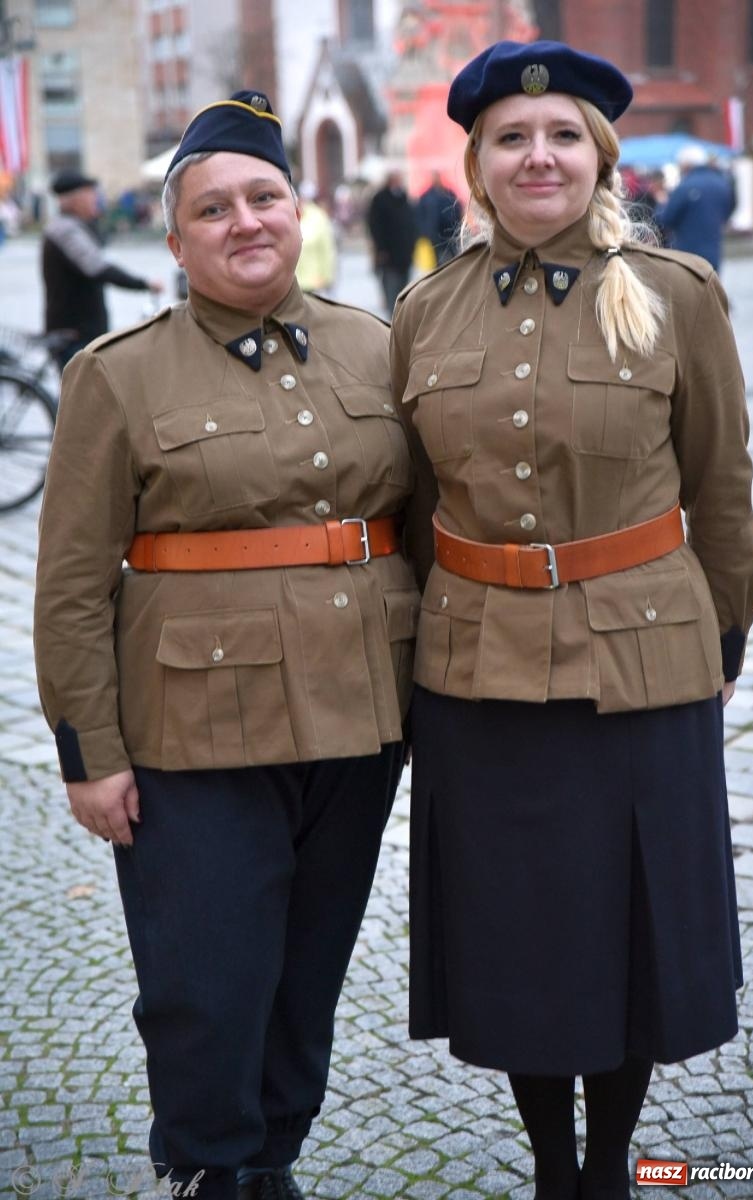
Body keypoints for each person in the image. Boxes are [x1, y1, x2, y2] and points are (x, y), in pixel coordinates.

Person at [390, 40, 753, 1200]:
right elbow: (409, 508)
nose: (536, 154)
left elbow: (724, 492)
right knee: (519, 939)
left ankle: (613, 1166)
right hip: (476, 676)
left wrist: (720, 641)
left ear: (598, 159)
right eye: (512, 137)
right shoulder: (423, 314)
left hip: (642, 669)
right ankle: (552, 1163)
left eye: (561, 137)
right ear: (477, 165)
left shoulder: (677, 297)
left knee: (634, 931)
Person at [34, 91, 419, 1200]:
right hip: (189, 729)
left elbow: (427, 526)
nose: (246, 221)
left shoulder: (379, 346)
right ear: (173, 240)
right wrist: (89, 752)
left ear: (299, 209)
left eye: (265, 196)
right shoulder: (117, 373)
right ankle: (208, 1160)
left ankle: (273, 1159)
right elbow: (69, 584)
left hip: (357, 716)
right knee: (206, 972)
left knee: (309, 966)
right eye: (214, 209)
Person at [41, 168, 163, 369]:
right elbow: (97, 268)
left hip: (80, 332)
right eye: (91, 195)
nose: (96, 200)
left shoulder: (76, 226)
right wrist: (144, 284)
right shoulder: (66, 230)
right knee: (84, 397)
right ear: (75, 199)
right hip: (74, 334)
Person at [655, 144, 736, 272]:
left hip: (687, 254)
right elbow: (729, 210)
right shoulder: (722, 184)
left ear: (686, 165)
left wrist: (661, 204)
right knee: (711, 288)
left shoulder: (684, 187)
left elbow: (666, 219)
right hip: (714, 252)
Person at [366, 169, 419, 314]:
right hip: (388, 256)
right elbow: (374, 226)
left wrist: (412, 245)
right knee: (391, 288)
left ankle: (401, 315)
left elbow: (412, 223)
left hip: (405, 255)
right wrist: (381, 249)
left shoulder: (404, 198)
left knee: (405, 289)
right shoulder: (380, 199)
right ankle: (393, 317)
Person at [294, 180, 337, 294]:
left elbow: (327, 249)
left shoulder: (318, 216)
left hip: (314, 283)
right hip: (290, 286)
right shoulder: (284, 217)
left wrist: (327, 276)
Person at [416, 171, 464, 265]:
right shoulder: (426, 196)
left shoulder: (449, 193)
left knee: (453, 261)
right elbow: (420, 216)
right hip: (434, 235)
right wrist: (425, 232)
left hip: (450, 233)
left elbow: (457, 209)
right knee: (437, 262)